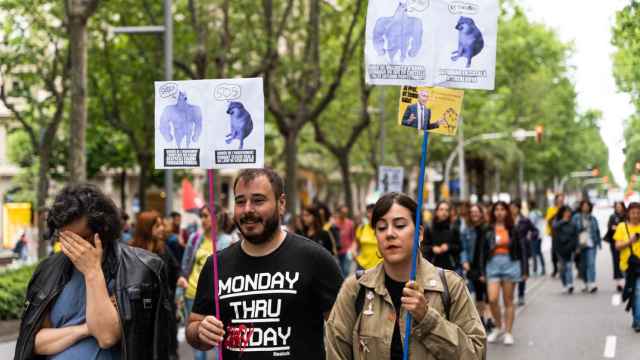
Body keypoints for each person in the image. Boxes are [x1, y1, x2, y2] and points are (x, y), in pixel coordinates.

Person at [186, 168, 343, 358]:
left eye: (258, 200)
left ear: (281, 203)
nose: (247, 210)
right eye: (240, 201)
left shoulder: (315, 259)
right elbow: (193, 328)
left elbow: (343, 333)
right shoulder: (216, 265)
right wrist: (200, 331)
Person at [14, 184, 171, 360]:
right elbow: (37, 342)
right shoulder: (49, 269)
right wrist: (85, 329)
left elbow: (106, 336)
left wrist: (92, 272)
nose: (74, 248)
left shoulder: (137, 268)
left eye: (81, 239)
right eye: (66, 238)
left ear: (102, 230)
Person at [325, 192, 486, 359]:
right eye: (381, 228)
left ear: (420, 233)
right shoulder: (355, 289)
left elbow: (476, 353)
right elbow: (335, 352)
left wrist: (427, 319)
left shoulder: (450, 286)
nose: (390, 234)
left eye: (400, 225)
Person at [181, 205, 233, 360]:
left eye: (205, 216)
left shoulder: (228, 241)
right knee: (198, 340)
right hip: (193, 294)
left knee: (220, 337)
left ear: (216, 217)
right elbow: (186, 264)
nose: (202, 220)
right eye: (201, 216)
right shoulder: (195, 238)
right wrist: (183, 279)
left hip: (218, 298)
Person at [130, 211, 184, 360]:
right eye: (157, 225)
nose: (162, 228)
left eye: (161, 224)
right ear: (147, 228)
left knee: (167, 349)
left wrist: (179, 278)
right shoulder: (132, 252)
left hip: (165, 310)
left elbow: (175, 268)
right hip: (141, 313)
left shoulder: (163, 249)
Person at [482, 201, 529, 345]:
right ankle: (498, 326)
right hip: (493, 264)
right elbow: (482, 251)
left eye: (502, 209)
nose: (499, 212)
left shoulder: (513, 229)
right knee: (493, 299)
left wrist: (525, 270)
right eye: (497, 209)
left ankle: (508, 332)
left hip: (510, 263)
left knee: (508, 300)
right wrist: (481, 270)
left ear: (507, 212)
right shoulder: (488, 229)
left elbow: (522, 250)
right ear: (493, 212)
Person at [461, 204, 492, 331]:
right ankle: (482, 319)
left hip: (487, 264)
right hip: (473, 265)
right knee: (479, 294)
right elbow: (463, 248)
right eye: (472, 212)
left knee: (488, 294)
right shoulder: (466, 230)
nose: (474, 214)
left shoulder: (488, 228)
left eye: (476, 211)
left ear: (481, 213)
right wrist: (465, 261)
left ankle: (489, 318)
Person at [613, 202, 640, 332]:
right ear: (628, 213)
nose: (636, 215)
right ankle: (637, 320)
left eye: (638, 213)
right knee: (636, 292)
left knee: (637, 292)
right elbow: (617, 246)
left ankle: (637, 319)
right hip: (629, 266)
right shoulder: (622, 227)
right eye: (633, 213)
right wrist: (630, 241)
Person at [511, 200, 539, 306]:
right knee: (512, 273)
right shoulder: (507, 221)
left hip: (522, 250)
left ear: (518, 208)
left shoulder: (525, 220)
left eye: (514, 207)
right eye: (511, 207)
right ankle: (510, 295)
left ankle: (521, 295)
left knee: (523, 273)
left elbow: (535, 231)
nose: (512, 209)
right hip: (511, 250)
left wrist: (530, 237)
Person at [421, 201, 461, 271]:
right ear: (436, 212)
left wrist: (448, 247)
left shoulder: (453, 228)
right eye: (441, 209)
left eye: (446, 210)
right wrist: (432, 249)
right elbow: (424, 247)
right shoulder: (429, 228)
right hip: (432, 267)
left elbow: (459, 247)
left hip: (450, 268)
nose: (444, 212)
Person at [572, 200, 601, 293]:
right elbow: (572, 230)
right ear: (581, 207)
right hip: (580, 245)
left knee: (591, 263)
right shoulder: (576, 217)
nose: (585, 207)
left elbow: (597, 231)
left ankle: (592, 283)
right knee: (583, 266)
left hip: (592, 244)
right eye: (584, 206)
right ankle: (585, 283)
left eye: (587, 206)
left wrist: (599, 243)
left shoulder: (593, 218)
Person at [553, 206, 578, 294]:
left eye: (569, 212)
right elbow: (555, 232)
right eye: (566, 212)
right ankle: (564, 284)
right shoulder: (558, 223)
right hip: (560, 249)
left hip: (570, 248)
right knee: (562, 268)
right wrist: (563, 221)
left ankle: (570, 284)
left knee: (569, 267)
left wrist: (576, 247)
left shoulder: (573, 224)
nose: (568, 214)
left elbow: (575, 236)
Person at [352, 203, 383, 270]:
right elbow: (356, 243)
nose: (369, 215)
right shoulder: (362, 228)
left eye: (371, 212)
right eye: (368, 212)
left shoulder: (383, 229)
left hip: (380, 268)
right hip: (362, 267)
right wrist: (354, 252)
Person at [604, 201, 626, 292]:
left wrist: (617, 228)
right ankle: (619, 281)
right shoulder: (613, 217)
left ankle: (625, 280)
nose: (618, 208)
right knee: (616, 261)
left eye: (620, 206)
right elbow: (610, 228)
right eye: (617, 206)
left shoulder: (627, 216)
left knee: (625, 261)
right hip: (615, 242)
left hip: (626, 243)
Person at [545, 194, 564, 277]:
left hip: (564, 234)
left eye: (562, 199)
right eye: (559, 199)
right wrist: (549, 232)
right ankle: (555, 269)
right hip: (555, 234)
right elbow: (548, 221)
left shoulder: (565, 209)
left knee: (563, 252)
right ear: (555, 200)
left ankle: (562, 269)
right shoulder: (551, 209)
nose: (560, 201)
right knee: (554, 252)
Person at [335, 204, 356, 276]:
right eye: (342, 213)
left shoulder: (350, 223)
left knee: (345, 271)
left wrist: (352, 249)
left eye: (345, 213)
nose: (344, 214)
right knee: (339, 271)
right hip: (337, 252)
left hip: (347, 251)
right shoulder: (334, 224)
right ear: (339, 213)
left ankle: (344, 285)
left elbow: (353, 238)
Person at [528, 200, 546, 276]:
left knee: (534, 253)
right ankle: (543, 268)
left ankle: (535, 270)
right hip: (540, 235)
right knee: (539, 252)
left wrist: (528, 234)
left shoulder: (532, 214)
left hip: (534, 235)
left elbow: (531, 225)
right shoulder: (539, 213)